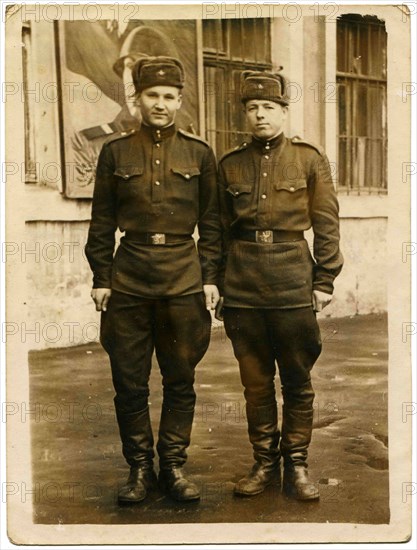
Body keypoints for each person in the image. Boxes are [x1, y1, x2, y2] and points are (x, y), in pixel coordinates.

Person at [85, 56, 221, 504]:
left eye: (168, 97)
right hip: (129, 278)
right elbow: (102, 221)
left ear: (179, 101)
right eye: (152, 96)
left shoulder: (200, 153)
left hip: (183, 277)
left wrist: (210, 278)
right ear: (137, 99)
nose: (160, 104)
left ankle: (174, 466)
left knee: (180, 377)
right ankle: (139, 469)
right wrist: (101, 277)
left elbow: (213, 224)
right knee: (129, 380)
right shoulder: (115, 152)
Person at [217, 70, 343, 501]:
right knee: (254, 382)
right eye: (251, 108)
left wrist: (324, 279)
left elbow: (326, 222)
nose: (259, 115)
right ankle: (264, 462)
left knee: (296, 378)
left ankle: (298, 464)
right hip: (243, 283)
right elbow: (215, 229)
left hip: (292, 280)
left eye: (268, 107)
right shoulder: (230, 164)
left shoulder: (309, 159)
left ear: (284, 112)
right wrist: (212, 281)